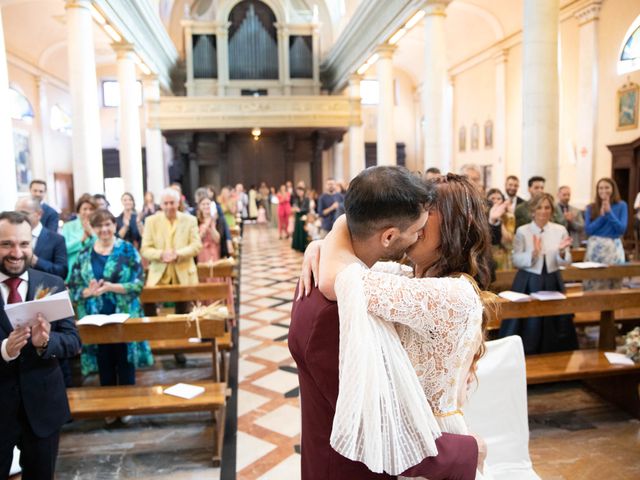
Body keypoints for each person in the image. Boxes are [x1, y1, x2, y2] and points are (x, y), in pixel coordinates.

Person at [289, 167, 481, 480]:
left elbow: (348, 271)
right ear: (390, 234)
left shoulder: (444, 293)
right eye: (419, 220)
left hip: (427, 442)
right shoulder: (339, 304)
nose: (418, 230)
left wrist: (327, 241)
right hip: (375, 460)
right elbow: (378, 425)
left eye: (425, 218)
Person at [0, 211, 81, 479]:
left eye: (23, 244)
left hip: (44, 406)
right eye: (6, 244)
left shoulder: (52, 284)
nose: (16, 252)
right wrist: (5, 350)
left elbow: (73, 342)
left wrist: (46, 342)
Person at [68, 210, 152, 405]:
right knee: (104, 362)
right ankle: (109, 406)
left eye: (108, 224)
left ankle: (127, 404)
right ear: (93, 228)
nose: (104, 229)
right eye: (99, 225)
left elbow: (139, 283)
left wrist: (110, 287)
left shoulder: (127, 250)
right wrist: (88, 292)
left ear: (114, 225)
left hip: (124, 314)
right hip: (95, 317)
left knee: (125, 360)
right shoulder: (84, 252)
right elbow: (73, 287)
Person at [499, 193, 578, 354]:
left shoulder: (559, 230)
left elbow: (566, 261)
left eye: (547, 207)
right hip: (528, 280)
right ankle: (526, 352)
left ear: (552, 210)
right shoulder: (523, 231)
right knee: (527, 322)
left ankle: (554, 353)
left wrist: (562, 252)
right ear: (532, 210)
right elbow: (516, 260)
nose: (543, 211)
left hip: (552, 279)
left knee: (555, 318)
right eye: (539, 207)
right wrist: (532, 254)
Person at [141, 187, 202, 337]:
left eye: (172, 203)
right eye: (165, 203)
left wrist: (178, 254)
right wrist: (161, 254)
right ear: (160, 205)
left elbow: (196, 246)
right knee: (148, 303)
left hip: (183, 272)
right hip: (159, 273)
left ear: (178, 203)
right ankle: (155, 338)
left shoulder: (190, 220)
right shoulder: (151, 221)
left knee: (183, 312)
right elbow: (145, 249)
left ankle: (180, 344)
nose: (169, 207)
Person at [583, 178, 628, 290]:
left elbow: (621, 229)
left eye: (607, 187)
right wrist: (602, 216)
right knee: (593, 282)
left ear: (613, 189)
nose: (604, 190)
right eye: (600, 188)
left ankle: (610, 307)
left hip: (613, 248)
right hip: (595, 249)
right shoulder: (591, 207)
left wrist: (609, 213)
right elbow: (589, 230)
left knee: (612, 283)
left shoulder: (621, 205)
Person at [15, 196, 68, 280]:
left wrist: (36, 261)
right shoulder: (12, 237)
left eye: (23, 213)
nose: (18, 217)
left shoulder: (56, 239)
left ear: (39, 214)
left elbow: (62, 272)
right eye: (16, 214)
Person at [62, 194, 97, 282]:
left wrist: (92, 233)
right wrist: (81, 240)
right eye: (85, 209)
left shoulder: (99, 226)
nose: (88, 212)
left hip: (94, 270)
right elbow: (63, 249)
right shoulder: (68, 226)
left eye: (91, 209)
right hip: (73, 269)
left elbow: (103, 246)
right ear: (79, 210)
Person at [486, 188, 515, 270]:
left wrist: (500, 221)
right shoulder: (482, 216)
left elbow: (508, 239)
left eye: (499, 198)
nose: (496, 201)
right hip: (488, 255)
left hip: (504, 254)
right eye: (493, 198)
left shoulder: (508, 217)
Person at [196, 195, 222, 263]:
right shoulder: (196, 221)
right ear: (199, 206)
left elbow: (217, 240)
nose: (206, 206)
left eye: (208, 204)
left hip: (214, 250)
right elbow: (198, 239)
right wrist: (208, 222)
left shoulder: (218, 220)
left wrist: (212, 225)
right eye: (203, 204)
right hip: (201, 251)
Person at [291, 184, 311, 252]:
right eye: (298, 191)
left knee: (303, 231)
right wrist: (294, 209)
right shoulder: (296, 199)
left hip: (304, 215)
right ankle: (297, 246)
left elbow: (307, 209)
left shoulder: (307, 199)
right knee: (297, 231)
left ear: (303, 191)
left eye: (300, 191)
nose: (299, 193)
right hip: (297, 216)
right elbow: (294, 206)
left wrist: (300, 210)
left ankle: (303, 246)